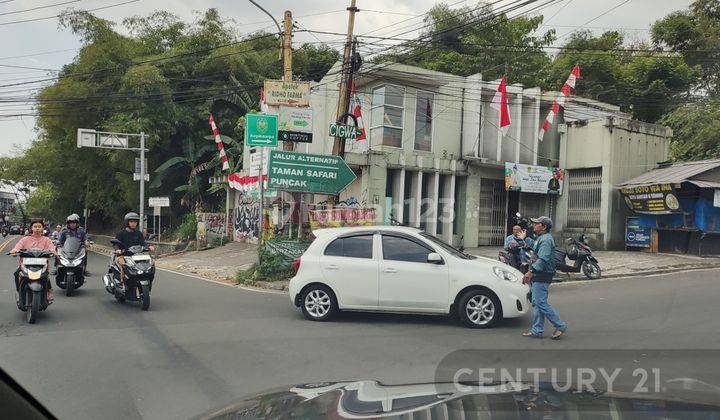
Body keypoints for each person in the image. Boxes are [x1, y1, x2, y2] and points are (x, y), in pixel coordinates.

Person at [519, 216, 566, 340]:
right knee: (536, 303)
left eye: (537, 224)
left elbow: (543, 259)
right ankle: (537, 330)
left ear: (544, 227)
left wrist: (530, 272)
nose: (534, 225)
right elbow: (535, 251)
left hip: (542, 274)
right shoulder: (541, 238)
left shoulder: (546, 240)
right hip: (538, 274)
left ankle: (560, 325)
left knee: (540, 303)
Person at [9, 218, 56, 302]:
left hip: (42, 265)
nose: (37, 228)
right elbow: (18, 246)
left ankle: (49, 291)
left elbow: (52, 248)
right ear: (31, 228)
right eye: (35, 226)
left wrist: (54, 252)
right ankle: (18, 291)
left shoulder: (47, 240)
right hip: (26, 264)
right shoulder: (25, 239)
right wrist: (14, 250)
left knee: (46, 276)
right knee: (16, 274)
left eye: (39, 226)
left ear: (43, 228)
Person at [113, 212, 154, 286]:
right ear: (127, 222)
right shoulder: (121, 233)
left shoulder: (138, 233)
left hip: (137, 256)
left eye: (135, 222)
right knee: (123, 264)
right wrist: (117, 249)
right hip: (123, 255)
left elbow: (143, 242)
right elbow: (116, 243)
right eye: (131, 221)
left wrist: (149, 247)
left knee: (150, 264)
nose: (133, 223)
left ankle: (148, 281)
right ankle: (122, 283)